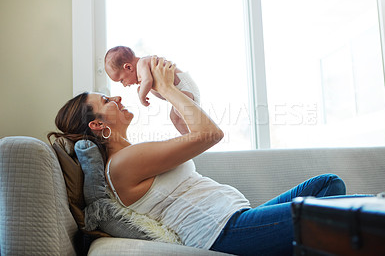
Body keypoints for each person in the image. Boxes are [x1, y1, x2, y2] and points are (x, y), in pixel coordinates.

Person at [49, 56, 346, 255]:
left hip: (239, 218)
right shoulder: (122, 164)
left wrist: (173, 91)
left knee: (327, 184)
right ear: (97, 124)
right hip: (224, 232)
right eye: (105, 100)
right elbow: (210, 134)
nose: (116, 97)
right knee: (354, 216)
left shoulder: (133, 153)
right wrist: (163, 85)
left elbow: (192, 130)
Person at [104, 46, 200, 135]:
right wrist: (141, 89)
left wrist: (141, 96)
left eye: (122, 81)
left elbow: (148, 81)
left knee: (179, 111)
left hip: (185, 87)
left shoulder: (142, 63)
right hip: (181, 91)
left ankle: (198, 131)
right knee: (174, 117)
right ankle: (188, 136)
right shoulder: (142, 73)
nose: (125, 85)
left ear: (129, 67)